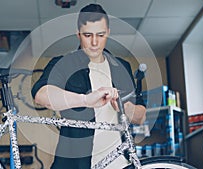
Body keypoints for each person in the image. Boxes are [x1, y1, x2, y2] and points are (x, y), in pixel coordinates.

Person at [31, 3, 146, 169]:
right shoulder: (63, 64)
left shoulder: (122, 67)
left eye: (100, 35)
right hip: (74, 163)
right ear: (78, 34)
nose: (94, 42)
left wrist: (124, 107)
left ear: (108, 33)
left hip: (119, 163)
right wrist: (85, 100)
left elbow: (140, 116)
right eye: (87, 35)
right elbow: (42, 95)